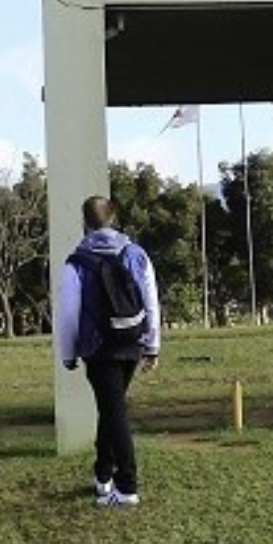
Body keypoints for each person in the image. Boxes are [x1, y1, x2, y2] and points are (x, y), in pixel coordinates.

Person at [55, 195, 160, 507]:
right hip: (130, 341)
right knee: (110, 407)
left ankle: (126, 486)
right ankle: (103, 475)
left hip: (98, 347)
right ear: (113, 217)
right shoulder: (135, 253)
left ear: (84, 221)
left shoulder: (77, 261)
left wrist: (68, 351)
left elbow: (69, 312)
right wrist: (152, 345)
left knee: (114, 412)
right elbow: (150, 300)